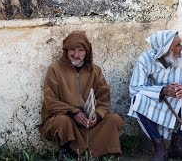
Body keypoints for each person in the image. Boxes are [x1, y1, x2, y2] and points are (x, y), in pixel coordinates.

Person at [39, 30, 124, 160]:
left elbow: (104, 96)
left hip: (89, 121)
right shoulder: (55, 69)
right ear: (66, 51)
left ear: (87, 52)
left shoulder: (95, 70)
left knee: (115, 119)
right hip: (68, 119)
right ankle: (66, 151)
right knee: (62, 122)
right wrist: (74, 113)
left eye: (81, 50)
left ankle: (96, 151)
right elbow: (51, 100)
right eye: (72, 50)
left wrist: (98, 115)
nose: (76, 54)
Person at [128, 30, 182, 161]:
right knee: (138, 99)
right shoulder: (145, 60)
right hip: (156, 102)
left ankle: (177, 146)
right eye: (178, 45)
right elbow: (135, 89)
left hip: (178, 101)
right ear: (164, 49)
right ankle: (160, 148)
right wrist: (162, 91)